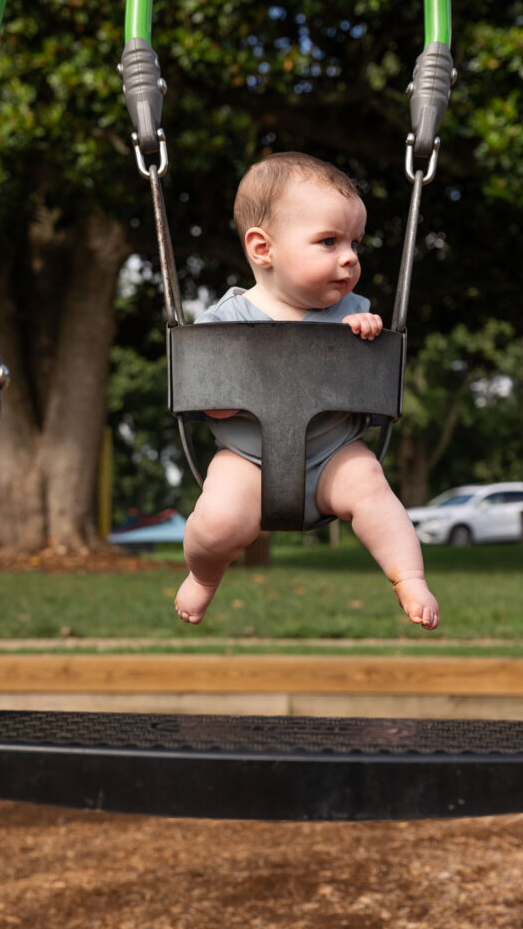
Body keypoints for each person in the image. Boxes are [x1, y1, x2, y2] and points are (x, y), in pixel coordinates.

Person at [174, 152, 439, 631]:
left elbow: (365, 373)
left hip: (333, 454)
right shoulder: (224, 323)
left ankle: (409, 576)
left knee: (373, 489)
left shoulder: (351, 312)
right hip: (247, 461)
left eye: (355, 243)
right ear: (263, 248)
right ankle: (205, 574)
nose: (350, 257)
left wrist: (366, 332)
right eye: (329, 241)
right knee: (217, 524)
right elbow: (207, 396)